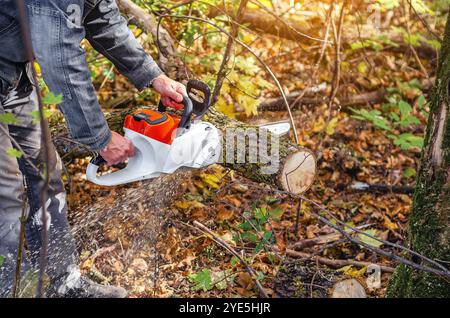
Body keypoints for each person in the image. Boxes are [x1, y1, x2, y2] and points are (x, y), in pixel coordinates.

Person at [0, 0, 186, 297]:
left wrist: (154, 76)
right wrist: (99, 137)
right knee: (6, 190)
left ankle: (62, 284)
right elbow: (59, 56)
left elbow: (104, 20)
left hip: (13, 78)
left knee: (44, 173)